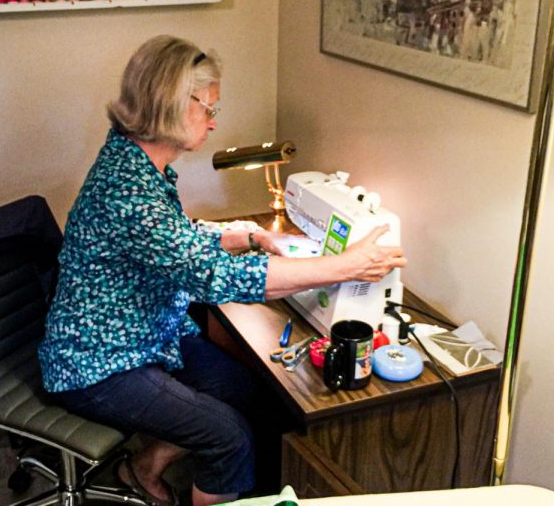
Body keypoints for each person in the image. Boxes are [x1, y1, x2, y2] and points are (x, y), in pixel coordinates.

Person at [38, 35, 407, 506]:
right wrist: (343, 265)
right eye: (208, 110)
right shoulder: (128, 189)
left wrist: (253, 237)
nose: (214, 122)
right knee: (229, 436)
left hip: (144, 336)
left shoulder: (137, 161)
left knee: (240, 387)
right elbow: (215, 276)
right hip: (99, 363)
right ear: (171, 106)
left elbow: (177, 240)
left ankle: (144, 466)